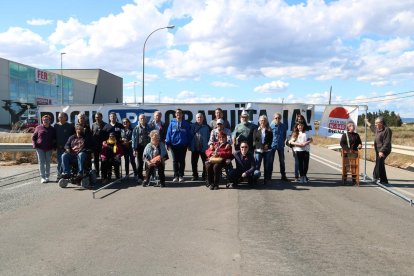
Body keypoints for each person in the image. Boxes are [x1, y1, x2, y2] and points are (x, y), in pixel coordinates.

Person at [165, 108, 193, 183]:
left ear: (182, 114)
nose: (178, 114)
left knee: (182, 161)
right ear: (175, 114)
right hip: (173, 145)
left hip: (183, 145)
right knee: (175, 161)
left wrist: (189, 144)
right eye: (177, 113)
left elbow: (188, 135)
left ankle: (181, 176)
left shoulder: (186, 124)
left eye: (180, 113)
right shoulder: (172, 123)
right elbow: (168, 133)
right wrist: (167, 143)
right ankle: (175, 176)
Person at [366, 116, 392, 184]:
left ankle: (375, 177)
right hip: (378, 149)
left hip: (385, 149)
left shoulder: (387, 130)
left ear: (381, 123)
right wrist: (367, 122)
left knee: (379, 162)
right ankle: (384, 180)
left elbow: (387, 142)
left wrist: (382, 151)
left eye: (376, 123)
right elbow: (372, 128)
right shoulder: (377, 129)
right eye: (375, 123)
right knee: (381, 163)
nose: (375, 124)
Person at [32, 114, 56, 183]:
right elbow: (33, 137)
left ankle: (47, 176)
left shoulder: (52, 129)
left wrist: (54, 147)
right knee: (41, 162)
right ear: (42, 121)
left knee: (48, 162)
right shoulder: (38, 128)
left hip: (49, 148)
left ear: (49, 121)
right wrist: (34, 145)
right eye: (44, 120)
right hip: (40, 148)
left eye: (47, 120)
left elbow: (54, 139)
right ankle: (42, 177)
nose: (45, 121)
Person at [253, 115, 273, 184]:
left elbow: (270, 140)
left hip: (267, 151)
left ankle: (266, 179)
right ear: (259, 121)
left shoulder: (269, 130)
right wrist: (257, 147)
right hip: (258, 150)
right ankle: (255, 178)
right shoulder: (256, 130)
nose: (263, 122)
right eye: (261, 120)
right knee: (257, 165)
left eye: (264, 120)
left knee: (266, 165)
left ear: (266, 122)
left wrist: (267, 145)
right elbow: (255, 141)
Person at [54, 112, 75, 180]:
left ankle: (67, 174)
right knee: (59, 162)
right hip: (59, 148)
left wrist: (70, 147)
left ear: (65, 118)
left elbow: (73, 137)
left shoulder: (70, 126)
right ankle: (59, 175)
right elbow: (54, 137)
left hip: (67, 148)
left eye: (61, 117)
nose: (60, 118)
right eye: (59, 117)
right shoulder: (56, 126)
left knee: (67, 162)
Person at [190, 113, 210, 181]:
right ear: (196, 118)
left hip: (204, 148)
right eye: (198, 117)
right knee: (194, 163)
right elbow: (189, 136)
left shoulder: (206, 127)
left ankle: (204, 175)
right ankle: (195, 175)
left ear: (203, 118)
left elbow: (208, 138)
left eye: (201, 117)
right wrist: (189, 145)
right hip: (195, 147)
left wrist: (208, 147)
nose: (199, 118)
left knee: (205, 162)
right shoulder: (192, 126)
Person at [132, 114, 151, 183]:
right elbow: (133, 139)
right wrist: (134, 149)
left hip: (148, 148)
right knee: (140, 163)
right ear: (139, 120)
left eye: (143, 118)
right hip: (139, 147)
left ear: (145, 119)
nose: (142, 120)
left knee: (147, 162)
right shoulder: (136, 128)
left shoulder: (149, 127)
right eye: (141, 119)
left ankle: (147, 177)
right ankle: (140, 177)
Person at [270, 112, 289, 181]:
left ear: (280, 118)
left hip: (280, 146)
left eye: (279, 118)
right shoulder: (271, 126)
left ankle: (283, 176)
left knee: (282, 161)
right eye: (276, 118)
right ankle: (269, 176)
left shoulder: (283, 126)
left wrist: (283, 143)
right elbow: (269, 136)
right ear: (274, 118)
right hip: (272, 146)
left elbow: (284, 136)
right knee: (271, 161)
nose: (277, 119)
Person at [91, 112, 107, 177]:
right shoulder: (93, 125)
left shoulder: (105, 125)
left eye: (98, 117)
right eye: (96, 117)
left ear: (101, 117)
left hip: (103, 145)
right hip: (95, 145)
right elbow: (92, 134)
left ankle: (103, 173)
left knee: (103, 159)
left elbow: (107, 135)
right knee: (96, 160)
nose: (97, 118)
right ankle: (97, 173)